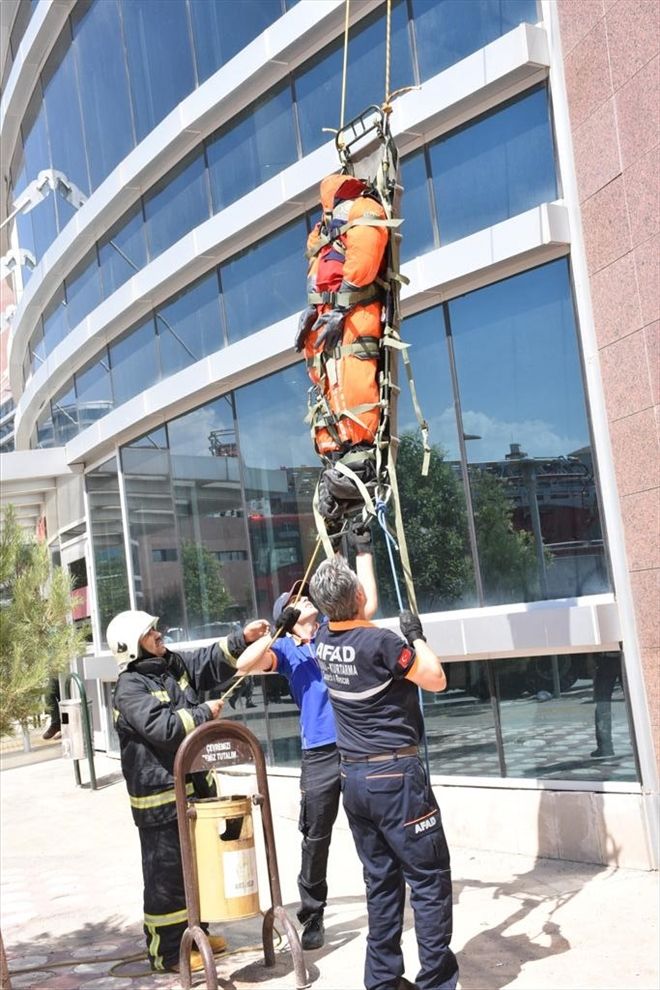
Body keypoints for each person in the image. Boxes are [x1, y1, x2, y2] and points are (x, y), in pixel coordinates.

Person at [309, 555, 459, 990]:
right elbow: (435, 678)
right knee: (429, 881)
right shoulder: (383, 645)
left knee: (382, 883)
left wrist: (363, 549)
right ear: (355, 597)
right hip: (396, 779)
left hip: (354, 779)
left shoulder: (323, 637)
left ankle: (382, 981)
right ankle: (436, 982)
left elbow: (361, 605)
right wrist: (417, 636)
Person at [235, 522, 378, 951]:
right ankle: (312, 915)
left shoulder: (336, 629)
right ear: (289, 613)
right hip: (318, 752)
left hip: (357, 747)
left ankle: (381, 901)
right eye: (297, 599)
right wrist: (275, 631)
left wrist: (360, 547)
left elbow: (365, 605)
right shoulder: (284, 650)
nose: (306, 600)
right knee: (316, 836)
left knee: (369, 828)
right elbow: (243, 664)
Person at [107, 609, 266, 974]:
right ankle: (166, 952)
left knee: (198, 868)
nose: (159, 634)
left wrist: (243, 637)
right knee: (168, 877)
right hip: (160, 800)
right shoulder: (130, 688)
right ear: (132, 647)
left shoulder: (170, 665)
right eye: (151, 633)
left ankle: (196, 933)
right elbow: (162, 727)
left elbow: (207, 662)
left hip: (192, 791)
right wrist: (204, 713)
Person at [591, 651, 621, 758]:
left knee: (602, 705)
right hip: (621, 656)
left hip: (607, 658)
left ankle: (605, 746)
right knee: (635, 703)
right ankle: (639, 740)